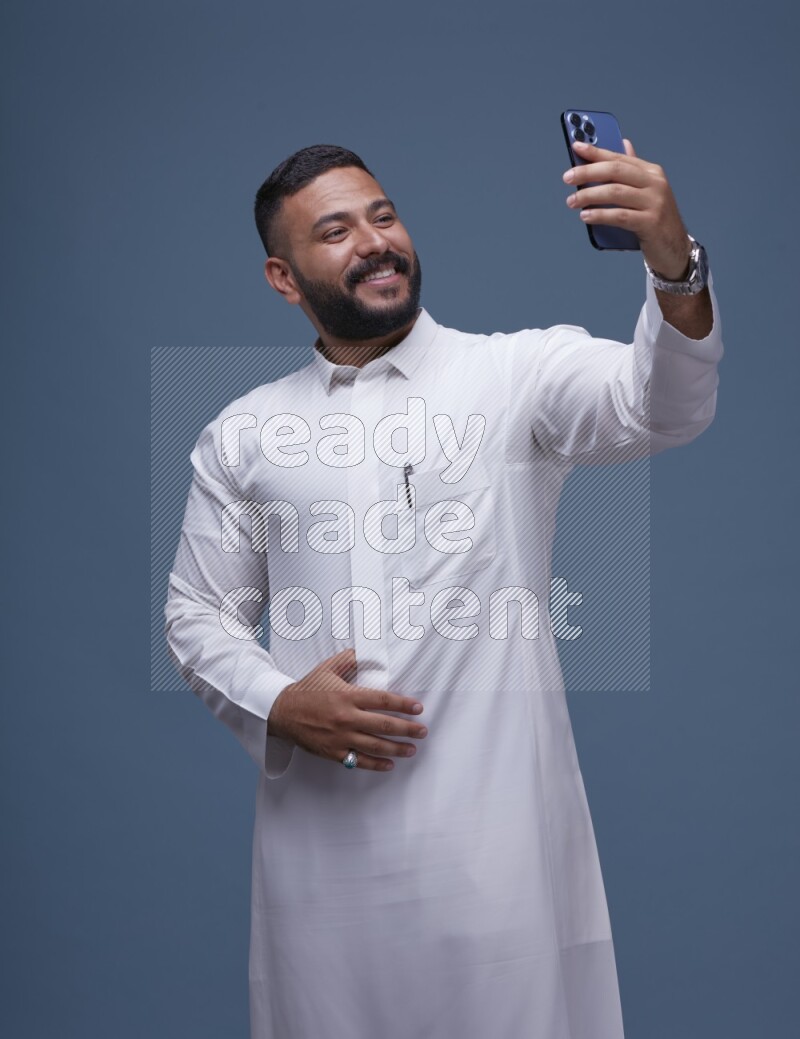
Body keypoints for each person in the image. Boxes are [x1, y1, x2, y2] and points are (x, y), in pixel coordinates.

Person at [164, 141, 722, 1038]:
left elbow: (662, 407)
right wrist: (279, 701)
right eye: (336, 232)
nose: (374, 242)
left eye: (383, 216)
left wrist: (673, 263)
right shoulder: (244, 433)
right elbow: (197, 614)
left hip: (498, 861)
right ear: (283, 277)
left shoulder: (515, 375)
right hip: (322, 876)